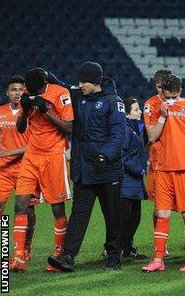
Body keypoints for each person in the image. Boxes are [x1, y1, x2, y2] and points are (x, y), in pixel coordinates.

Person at [48, 61, 126, 272]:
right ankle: (68, 256)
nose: (80, 84)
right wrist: (47, 75)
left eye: (84, 81)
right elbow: (63, 87)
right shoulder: (79, 96)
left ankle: (113, 257)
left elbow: (119, 134)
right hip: (84, 169)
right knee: (79, 215)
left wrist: (106, 156)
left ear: (96, 81)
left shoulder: (113, 101)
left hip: (107, 169)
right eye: (79, 80)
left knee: (112, 216)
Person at [141, 74, 185, 272]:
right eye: (166, 96)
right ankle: (158, 259)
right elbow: (152, 137)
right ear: (161, 90)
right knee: (162, 214)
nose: (170, 101)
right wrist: (162, 115)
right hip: (162, 168)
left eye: (173, 97)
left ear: (179, 92)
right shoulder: (152, 106)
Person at [10, 68, 73, 273]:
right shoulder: (28, 92)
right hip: (32, 155)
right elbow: (20, 128)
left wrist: (47, 111)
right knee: (21, 204)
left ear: (45, 83)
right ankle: (19, 256)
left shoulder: (60, 93)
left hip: (54, 156)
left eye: (37, 89)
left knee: (57, 208)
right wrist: (26, 110)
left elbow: (69, 128)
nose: (32, 91)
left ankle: (58, 253)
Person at [0, 76, 37, 261]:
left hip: (26, 168)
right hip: (3, 170)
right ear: (8, 92)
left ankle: (24, 249)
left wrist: (8, 153)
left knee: (27, 211)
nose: (17, 93)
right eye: (14, 89)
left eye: (21, 90)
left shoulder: (30, 113)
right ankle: (7, 250)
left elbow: (35, 144)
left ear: (25, 93)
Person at [143, 68, 173, 255]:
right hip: (158, 161)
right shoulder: (150, 104)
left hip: (180, 161)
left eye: (165, 87)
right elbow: (151, 135)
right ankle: (161, 244)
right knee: (159, 207)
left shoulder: (182, 104)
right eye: (159, 87)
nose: (161, 91)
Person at [120, 97, 148, 259]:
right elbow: (121, 156)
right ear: (127, 113)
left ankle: (127, 248)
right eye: (136, 109)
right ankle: (113, 248)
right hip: (126, 180)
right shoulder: (125, 128)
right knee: (125, 218)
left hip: (135, 180)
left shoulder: (134, 128)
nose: (140, 112)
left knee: (134, 218)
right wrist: (139, 169)